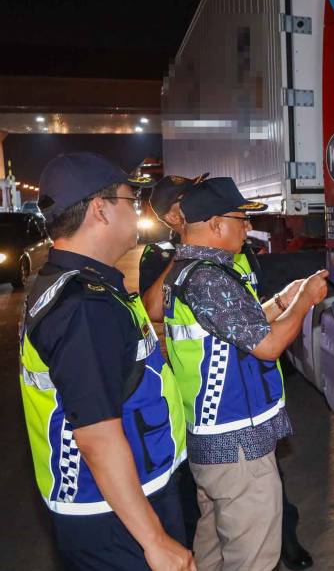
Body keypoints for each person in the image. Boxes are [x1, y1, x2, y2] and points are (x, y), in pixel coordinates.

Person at [19, 152, 193, 571]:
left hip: (117, 502)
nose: (135, 213)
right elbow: (97, 436)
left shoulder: (72, 285)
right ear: (99, 209)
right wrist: (154, 539)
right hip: (116, 515)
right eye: (129, 201)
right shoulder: (84, 307)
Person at [139, 174, 314, 570]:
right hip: (237, 446)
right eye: (241, 219)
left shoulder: (190, 271)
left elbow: (237, 329)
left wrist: (281, 303)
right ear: (216, 225)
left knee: (214, 546)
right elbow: (267, 345)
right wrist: (304, 301)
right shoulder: (209, 278)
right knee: (252, 558)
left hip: (213, 443)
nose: (248, 227)